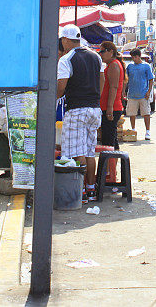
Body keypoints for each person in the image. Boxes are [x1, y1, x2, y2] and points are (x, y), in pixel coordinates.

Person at [55, 24, 103, 203]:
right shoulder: (96, 56)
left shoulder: (66, 59)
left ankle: (80, 190)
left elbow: (61, 88)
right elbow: (102, 80)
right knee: (90, 152)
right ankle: (91, 190)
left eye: (62, 41)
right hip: (94, 109)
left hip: (76, 110)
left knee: (76, 152)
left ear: (66, 40)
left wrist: (52, 98)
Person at [99, 41, 124, 149]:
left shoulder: (114, 65)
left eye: (102, 51)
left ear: (111, 51)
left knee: (108, 142)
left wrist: (109, 108)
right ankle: (113, 165)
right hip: (110, 107)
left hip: (111, 108)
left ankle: (111, 165)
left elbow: (113, 87)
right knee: (111, 140)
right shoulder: (112, 65)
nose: (101, 54)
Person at [125, 48, 154, 140]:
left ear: (139, 56)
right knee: (132, 113)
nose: (133, 59)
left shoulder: (146, 66)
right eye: (132, 57)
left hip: (143, 94)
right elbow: (126, 80)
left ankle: (148, 131)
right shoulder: (129, 66)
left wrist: (148, 91)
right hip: (132, 94)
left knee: (146, 113)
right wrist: (123, 92)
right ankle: (133, 130)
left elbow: (151, 79)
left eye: (135, 57)